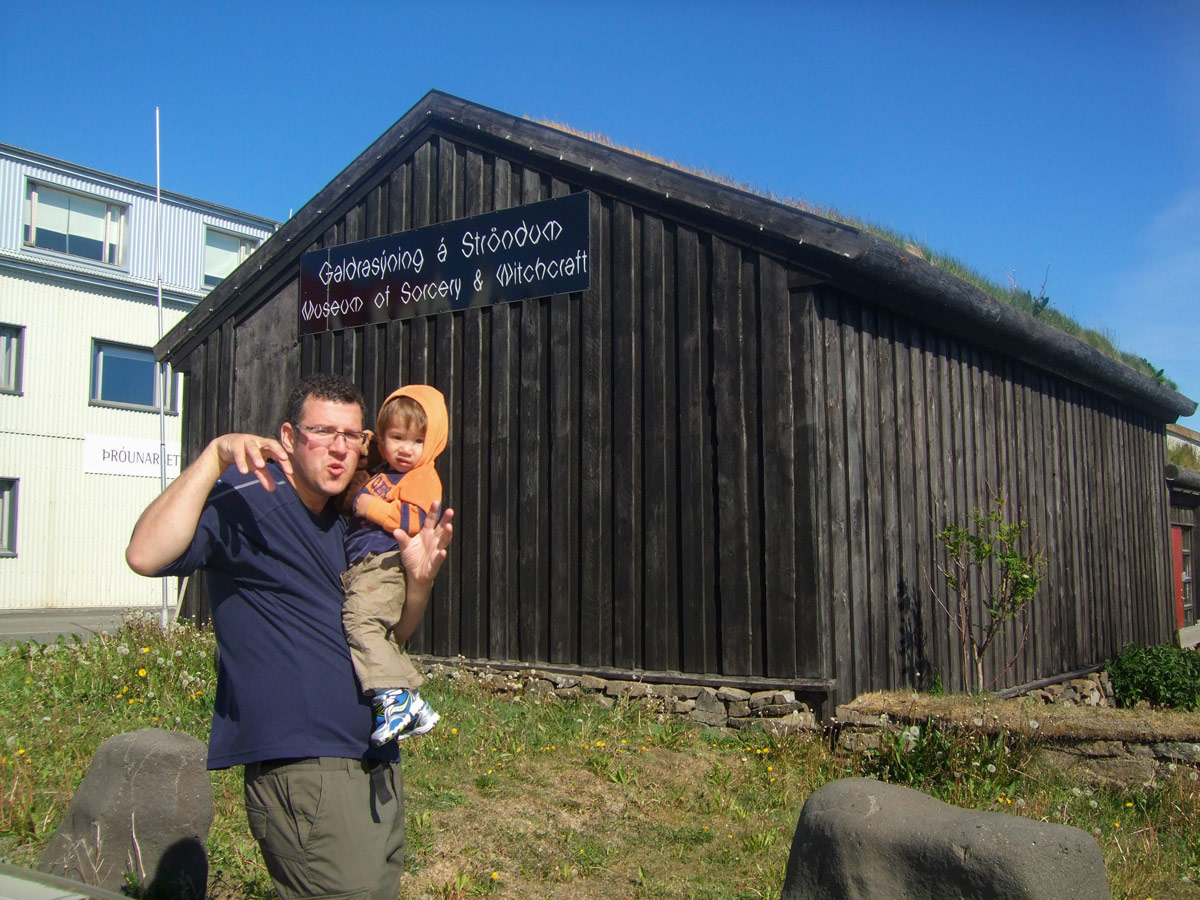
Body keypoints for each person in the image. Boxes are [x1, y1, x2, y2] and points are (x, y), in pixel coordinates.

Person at [125, 373, 453, 900]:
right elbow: (144, 554)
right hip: (305, 766)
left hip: (373, 760)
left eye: (353, 435)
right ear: (290, 436)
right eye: (323, 432)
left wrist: (418, 585)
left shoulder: (349, 524)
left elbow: (394, 636)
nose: (341, 449)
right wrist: (213, 459)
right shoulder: (246, 498)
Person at [342, 384, 447, 745]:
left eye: (418, 441)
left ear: (432, 442)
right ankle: (414, 702)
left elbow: (415, 518)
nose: (407, 449)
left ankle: (394, 696)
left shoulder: (423, 476)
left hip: (384, 561)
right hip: (369, 562)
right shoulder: (386, 469)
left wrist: (370, 507)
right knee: (381, 634)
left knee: (360, 622)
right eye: (397, 437)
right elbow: (367, 454)